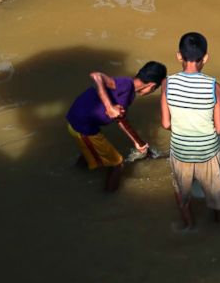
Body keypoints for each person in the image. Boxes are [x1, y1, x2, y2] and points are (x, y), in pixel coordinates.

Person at [161, 31, 220, 228]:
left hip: (181, 151)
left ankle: (189, 226)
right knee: (216, 198)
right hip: (207, 152)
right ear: (205, 58)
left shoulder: (168, 83)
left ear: (179, 56)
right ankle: (219, 228)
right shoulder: (214, 87)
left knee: (182, 194)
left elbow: (165, 124)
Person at [66, 61, 166, 192]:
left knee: (89, 152)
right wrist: (109, 106)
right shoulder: (124, 84)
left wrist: (138, 143)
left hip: (79, 121)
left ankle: (72, 174)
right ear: (152, 86)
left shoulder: (129, 92)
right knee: (118, 164)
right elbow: (96, 76)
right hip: (83, 127)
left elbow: (121, 120)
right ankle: (108, 199)